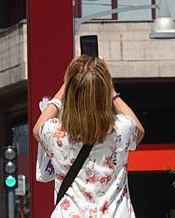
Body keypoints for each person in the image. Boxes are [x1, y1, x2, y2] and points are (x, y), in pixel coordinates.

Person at [34, 55, 145, 217]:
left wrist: (65, 87)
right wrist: (112, 92)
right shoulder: (122, 128)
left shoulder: (55, 132)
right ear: (104, 91)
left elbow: (37, 128)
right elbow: (139, 130)